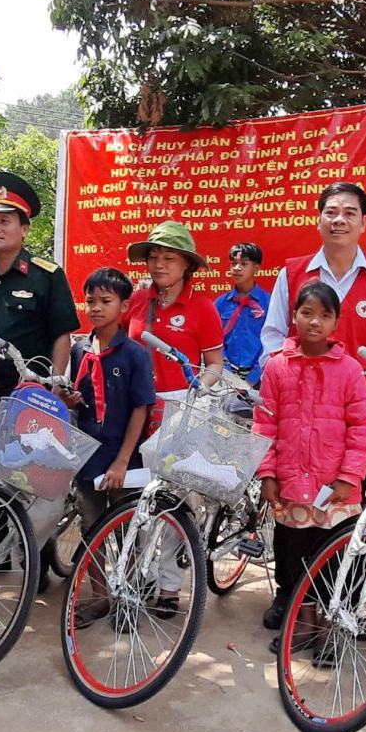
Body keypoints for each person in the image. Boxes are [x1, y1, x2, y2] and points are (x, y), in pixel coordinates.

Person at [255, 282, 366, 652]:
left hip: (335, 489)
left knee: (333, 559)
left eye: (324, 315)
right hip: (291, 485)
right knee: (294, 557)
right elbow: (264, 424)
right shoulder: (277, 366)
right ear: (293, 316)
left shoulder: (350, 370)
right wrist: (267, 473)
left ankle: (327, 626)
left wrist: (349, 476)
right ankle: (303, 624)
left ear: (336, 322)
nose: (314, 322)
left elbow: (361, 428)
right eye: (306, 313)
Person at [260, 183, 366, 419]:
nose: (339, 220)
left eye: (350, 213)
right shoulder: (291, 275)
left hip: (361, 415)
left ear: (363, 223)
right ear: (318, 220)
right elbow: (273, 341)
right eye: (331, 212)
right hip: (298, 412)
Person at [0, 173, 79, 402]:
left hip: (28, 392)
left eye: (4, 221)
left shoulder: (47, 275)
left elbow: (61, 335)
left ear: (24, 229)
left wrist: (54, 388)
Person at [62, 267, 157, 528]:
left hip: (124, 454)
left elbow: (140, 408)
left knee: (127, 530)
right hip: (87, 455)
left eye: (105, 301)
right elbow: (77, 399)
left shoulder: (135, 354)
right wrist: (69, 401)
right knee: (91, 528)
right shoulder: (79, 350)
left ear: (124, 306)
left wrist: (122, 460)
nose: (96, 308)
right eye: (90, 301)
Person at [126, 221, 223, 397]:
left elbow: (214, 364)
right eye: (153, 257)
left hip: (179, 404)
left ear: (187, 264)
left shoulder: (203, 307)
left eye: (169, 258)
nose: (158, 265)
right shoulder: (135, 300)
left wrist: (198, 388)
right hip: (133, 402)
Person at [213, 242, 270, 388]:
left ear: (256, 268)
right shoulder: (220, 304)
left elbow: (271, 340)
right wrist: (227, 373)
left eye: (244, 264)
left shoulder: (269, 302)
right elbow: (215, 340)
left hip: (261, 376)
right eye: (233, 264)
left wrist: (253, 377)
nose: (237, 268)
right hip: (225, 377)